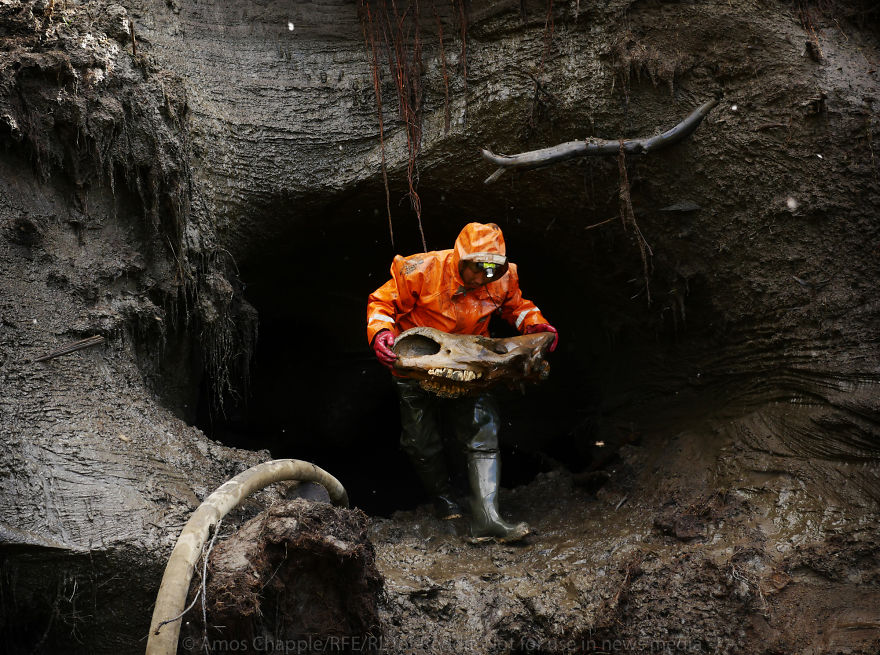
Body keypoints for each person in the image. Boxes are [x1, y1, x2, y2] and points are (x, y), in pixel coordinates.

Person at [366, 222, 558, 542]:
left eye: (491, 271)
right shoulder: (420, 270)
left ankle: (487, 518)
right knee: (420, 440)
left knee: (483, 430)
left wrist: (536, 326)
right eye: (476, 269)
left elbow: (517, 307)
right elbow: (382, 302)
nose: (482, 278)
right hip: (420, 366)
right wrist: (381, 333)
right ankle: (443, 499)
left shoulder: (503, 279)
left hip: (473, 365)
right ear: (460, 258)